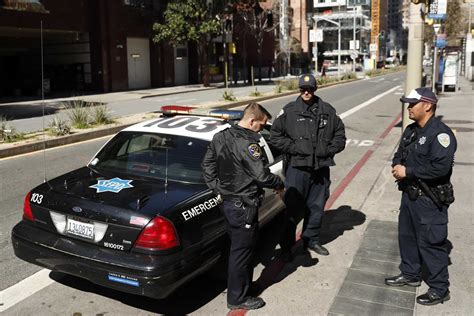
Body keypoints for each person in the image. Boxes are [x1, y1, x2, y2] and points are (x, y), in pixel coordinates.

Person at [202, 103, 284, 311]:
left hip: (228, 204)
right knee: (242, 253)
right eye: (261, 124)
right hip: (244, 207)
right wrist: (279, 183)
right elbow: (262, 176)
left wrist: (218, 190)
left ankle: (244, 287)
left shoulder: (221, 136)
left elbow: (207, 166)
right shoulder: (249, 144)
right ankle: (237, 298)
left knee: (239, 250)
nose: (261, 129)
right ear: (251, 121)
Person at [385, 87, 456, 306]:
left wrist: (409, 171)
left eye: (412, 104)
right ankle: (410, 274)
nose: (409, 108)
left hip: (429, 199)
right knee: (407, 238)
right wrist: (397, 164)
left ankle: (439, 288)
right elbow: (400, 152)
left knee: (431, 243)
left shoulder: (441, 134)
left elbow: (441, 168)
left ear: (428, 105)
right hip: (410, 195)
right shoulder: (411, 130)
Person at [269, 74, 346, 257]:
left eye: (310, 89)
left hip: (320, 169)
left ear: (315, 89)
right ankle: (286, 246)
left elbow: (340, 136)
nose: (306, 93)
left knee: (316, 207)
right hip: (297, 169)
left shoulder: (328, 111)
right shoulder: (289, 111)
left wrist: (327, 151)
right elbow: (275, 136)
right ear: (299, 90)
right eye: (303, 90)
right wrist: (294, 147)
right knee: (292, 209)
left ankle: (310, 240)